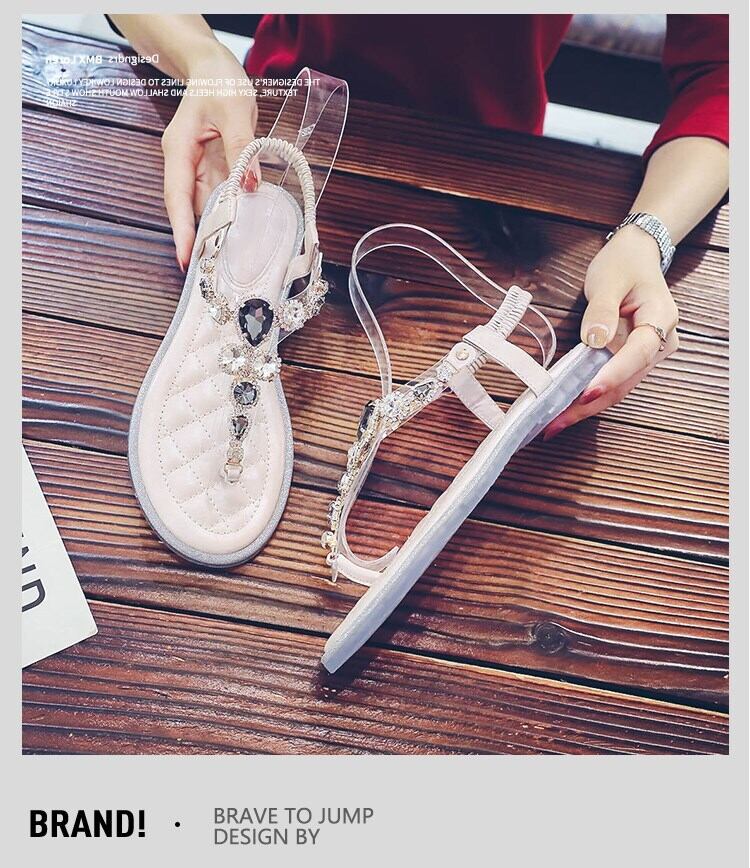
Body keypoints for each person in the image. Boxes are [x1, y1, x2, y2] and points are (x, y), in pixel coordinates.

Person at [109, 14, 729, 437]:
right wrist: (202, 59)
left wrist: (650, 233)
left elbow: (726, 68)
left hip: (493, 199)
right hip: (263, 141)